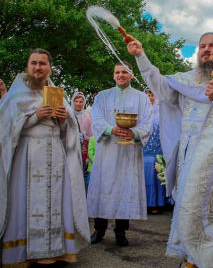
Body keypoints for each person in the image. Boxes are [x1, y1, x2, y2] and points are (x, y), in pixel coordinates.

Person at [127, 32, 213, 268]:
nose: (206, 49)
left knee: (211, 208)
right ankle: (190, 258)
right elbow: (160, 89)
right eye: (202, 46)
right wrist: (141, 56)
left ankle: (210, 259)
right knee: (188, 206)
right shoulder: (185, 79)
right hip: (189, 153)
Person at [0, 48, 90, 266]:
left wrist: (63, 119)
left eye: (42, 63)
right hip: (26, 158)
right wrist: (33, 117)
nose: (38, 67)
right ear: (27, 66)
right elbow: (4, 130)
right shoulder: (15, 97)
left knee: (55, 201)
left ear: (50, 67)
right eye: (34, 63)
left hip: (55, 158)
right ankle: (22, 253)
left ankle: (54, 250)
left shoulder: (57, 94)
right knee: (24, 203)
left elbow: (69, 131)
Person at [87, 61, 153, 247]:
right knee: (103, 188)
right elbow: (96, 118)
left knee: (125, 188)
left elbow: (148, 121)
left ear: (131, 74)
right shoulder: (102, 96)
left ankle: (121, 232)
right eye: (117, 72)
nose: (120, 75)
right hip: (107, 151)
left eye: (125, 72)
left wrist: (135, 132)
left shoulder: (142, 98)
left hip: (128, 152)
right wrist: (110, 130)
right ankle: (99, 230)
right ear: (113, 75)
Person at [143, 89, 166, 214]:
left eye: (152, 95)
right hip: (144, 152)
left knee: (156, 176)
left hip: (158, 152)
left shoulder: (162, 114)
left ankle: (157, 203)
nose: (150, 97)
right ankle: (145, 204)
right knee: (145, 177)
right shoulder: (141, 115)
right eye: (147, 95)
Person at [71, 91, 93, 190]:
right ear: (72, 102)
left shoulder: (87, 117)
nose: (79, 104)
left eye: (81, 101)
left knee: (83, 176)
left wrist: (88, 156)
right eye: (76, 101)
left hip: (84, 152)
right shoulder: (69, 115)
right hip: (71, 149)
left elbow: (91, 136)